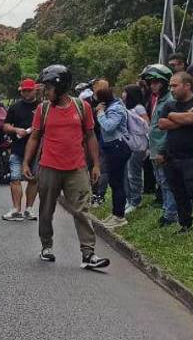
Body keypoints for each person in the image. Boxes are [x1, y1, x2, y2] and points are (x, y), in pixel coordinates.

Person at [21, 65, 109, 270]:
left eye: (49, 87)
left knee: (81, 210)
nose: (45, 91)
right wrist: (26, 162)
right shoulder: (43, 110)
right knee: (46, 210)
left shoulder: (81, 107)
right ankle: (46, 246)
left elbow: (90, 136)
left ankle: (89, 254)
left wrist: (96, 164)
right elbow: (34, 137)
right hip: (49, 167)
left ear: (61, 87)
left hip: (76, 168)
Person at [159, 72, 193, 233]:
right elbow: (162, 124)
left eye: (175, 85)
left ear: (187, 85)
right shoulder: (170, 105)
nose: (171, 89)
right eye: (170, 86)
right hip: (172, 156)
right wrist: (182, 119)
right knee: (178, 192)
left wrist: (177, 118)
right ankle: (185, 223)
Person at [143, 64, 180, 227]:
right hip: (154, 147)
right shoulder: (159, 99)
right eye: (151, 83)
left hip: (162, 149)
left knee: (167, 182)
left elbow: (168, 129)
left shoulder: (169, 101)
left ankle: (171, 214)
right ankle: (167, 210)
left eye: (156, 82)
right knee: (161, 181)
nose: (153, 86)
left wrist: (163, 151)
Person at [94, 79, 132, 228]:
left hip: (118, 147)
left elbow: (109, 127)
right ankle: (115, 213)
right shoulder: (111, 106)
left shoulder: (116, 108)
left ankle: (119, 216)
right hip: (111, 148)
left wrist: (101, 114)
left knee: (117, 183)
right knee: (114, 182)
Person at [2, 79, 40, 221]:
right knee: (15, 178)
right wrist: (16, 129)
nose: (26, 93)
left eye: (29, 90)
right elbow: (5, 126)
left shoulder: (42, 107)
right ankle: (16, 208)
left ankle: (29, 209)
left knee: (33, 179)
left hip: (37, 151)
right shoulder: (15, 107)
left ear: (35, 90)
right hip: (17, 148)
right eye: (24, 90)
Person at [121, 84, 150, 214]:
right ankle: (130, 199)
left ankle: (135, 200)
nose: (123, 94)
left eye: (125, 92)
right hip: (129, 144)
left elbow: (145, 124)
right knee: (127, 173)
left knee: (134, 173)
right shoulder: (127, 107)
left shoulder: (138, 108)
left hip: (138, 145)